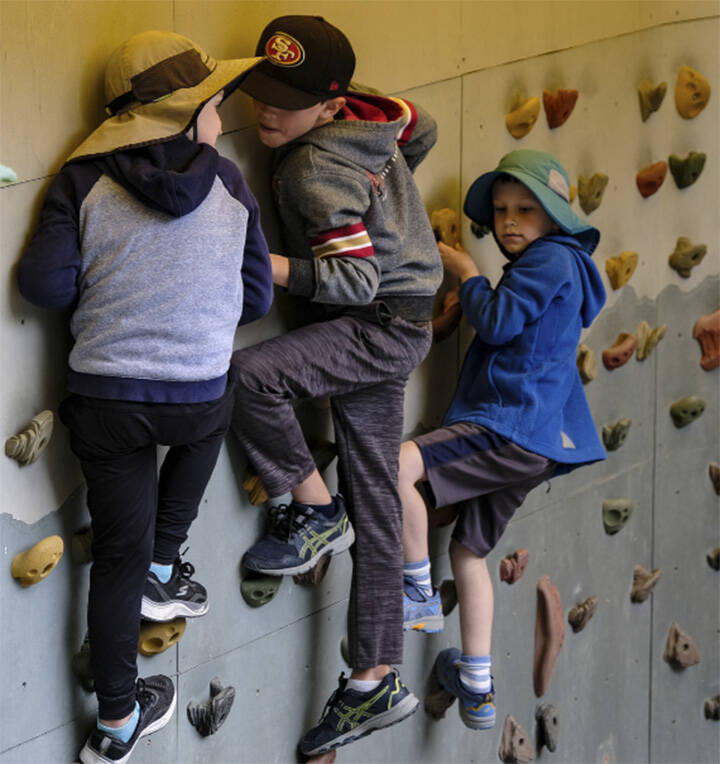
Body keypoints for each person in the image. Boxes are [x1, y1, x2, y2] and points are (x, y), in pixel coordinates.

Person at [17, 31, 272, 764]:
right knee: (215, 408)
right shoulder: (230, 184)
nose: (220, 115)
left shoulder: (79, 180)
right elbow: (254, 298)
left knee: (113, 557)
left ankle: (117, 724)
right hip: (195, 392)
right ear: (191, 116)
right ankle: (169, 561)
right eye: (214, 103)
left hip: (106, 400)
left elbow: (42, 286)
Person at [229, 15, 443, 757]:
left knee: (251, 376)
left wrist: (258, 261)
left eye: (287, 100)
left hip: (374, 324)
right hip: (405, 320)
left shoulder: (316, 170)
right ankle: (373, 679)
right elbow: (421, 125)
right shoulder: (374, 118)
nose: (265, 110)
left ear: (329, 105)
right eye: (260, 91)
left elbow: (352, 279)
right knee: (379, 500)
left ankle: (315, 513)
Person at [398, 149, 606, 730]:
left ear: (556, 219)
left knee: (396, 468)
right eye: (500, 209)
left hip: (507, 426)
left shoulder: (549, 262)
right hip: (533, 441)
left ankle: (415, 595)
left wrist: (467, 275)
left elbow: (495, 322)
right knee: (468, 553)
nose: (510, 220)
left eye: (526, 209)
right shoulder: (562, 267)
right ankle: (478, 684)